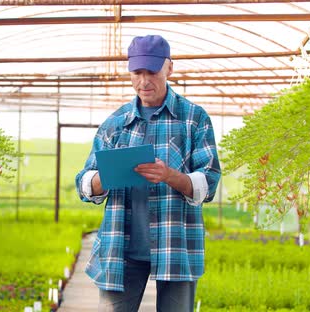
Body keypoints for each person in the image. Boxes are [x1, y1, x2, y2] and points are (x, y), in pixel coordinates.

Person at [75, 34, 221, 312]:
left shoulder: (193, 119)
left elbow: (210, 180)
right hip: (121, 248)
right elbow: (83, 183)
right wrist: (102, 179)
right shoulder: (115, 123)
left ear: (169, 68)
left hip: (176, 246)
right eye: (137, 72)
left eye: (152, 72)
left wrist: (171, 176)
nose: (144, 81)